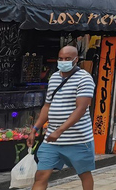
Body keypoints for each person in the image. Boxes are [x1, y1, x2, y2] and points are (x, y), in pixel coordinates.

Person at [27, 46, 96, 190]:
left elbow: (81, 109)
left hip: (78, 139)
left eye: (67, 59)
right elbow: (47, 106)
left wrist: (60, 131)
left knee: (84, 174)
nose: (63, 61)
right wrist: (35, 128)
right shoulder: (54, 77)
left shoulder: (84, 78)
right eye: (61, 58)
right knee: (41, 175)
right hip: (51, 140)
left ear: (76, 60)